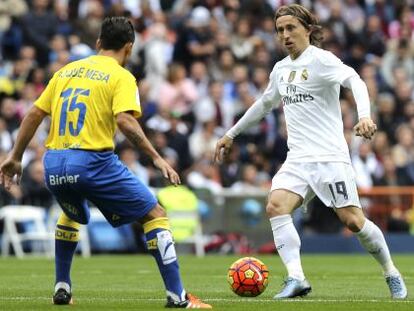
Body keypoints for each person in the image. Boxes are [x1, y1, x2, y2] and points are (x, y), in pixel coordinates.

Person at [0, 17, 211, 309]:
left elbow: (34, 115)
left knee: (71, 214)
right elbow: (125, 121)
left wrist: (14, 156)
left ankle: (62, 287)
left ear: (98, 43)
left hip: (53, 164)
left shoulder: (66, 71)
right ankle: (178, 297)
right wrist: (157, 157)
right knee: (155, 214)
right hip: (92, 162)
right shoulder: (122, 76)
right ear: (129, 47)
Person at [214, 4, 407, 300]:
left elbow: (354, 79)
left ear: (308, 29)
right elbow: (264, 104)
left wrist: (364, 115)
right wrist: (230, 134)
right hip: (298, 158)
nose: (285, 35)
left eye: (291, 28)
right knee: (276, 205)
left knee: (354, 222)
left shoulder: (322, 60)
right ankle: (296, 278)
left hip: (330, 158)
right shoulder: (281, 69)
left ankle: (391, 271)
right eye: (280, 30)